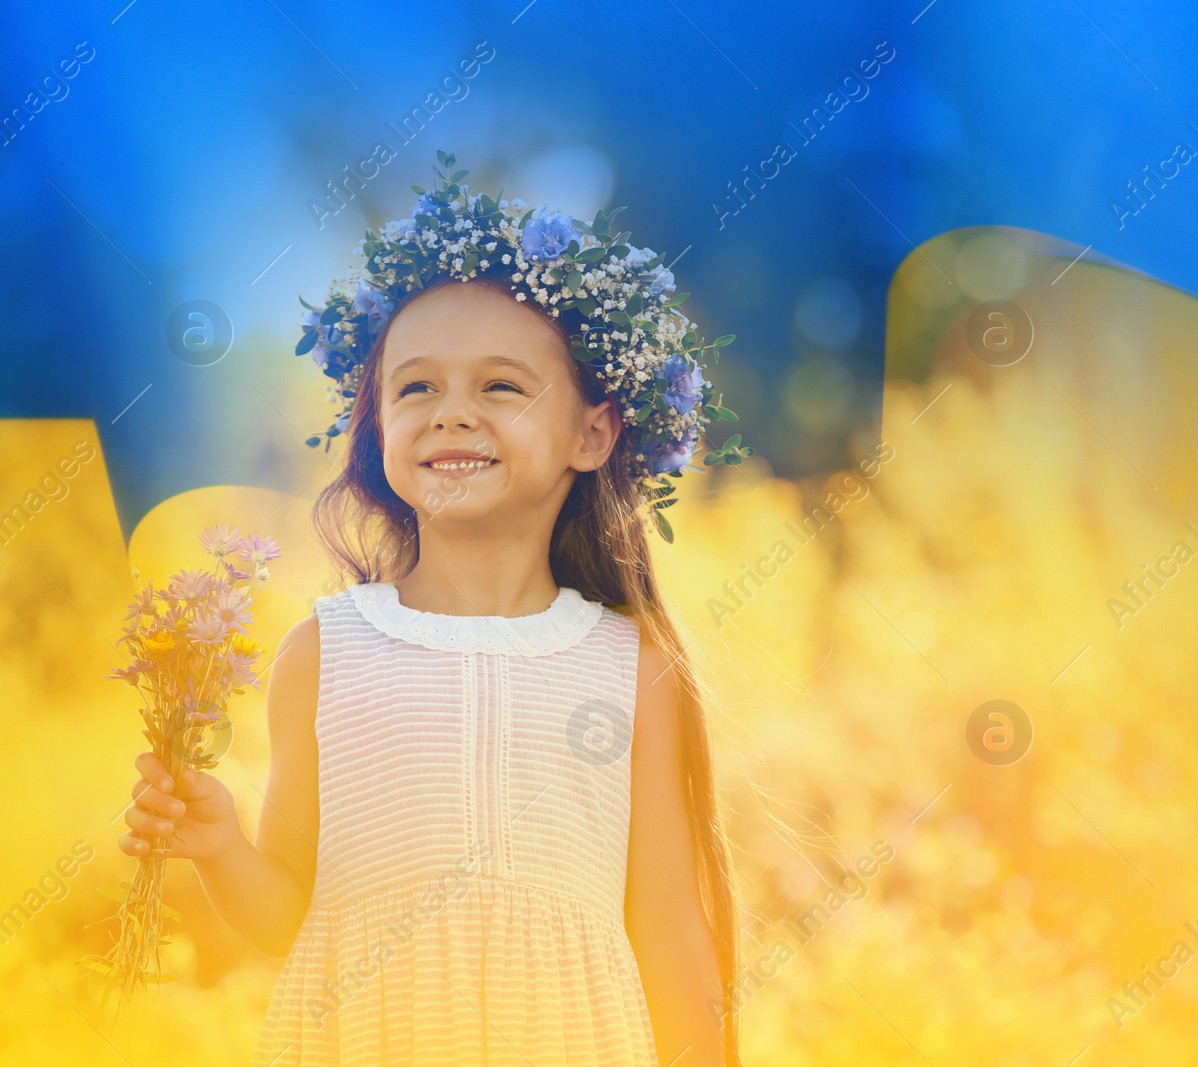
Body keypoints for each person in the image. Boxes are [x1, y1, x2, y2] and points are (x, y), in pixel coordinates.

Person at [117, 161, 750, 1066]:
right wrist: (218, 842)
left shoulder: (629, 662)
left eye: (500, 387)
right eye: (416, 388)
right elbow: (286, 912)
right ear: (376, 428)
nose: (452, 415)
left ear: (593, 433)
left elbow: (669, 928)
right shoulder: (325, 652)